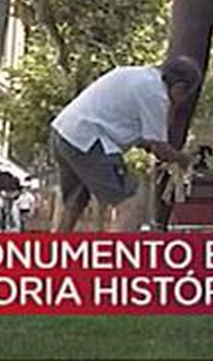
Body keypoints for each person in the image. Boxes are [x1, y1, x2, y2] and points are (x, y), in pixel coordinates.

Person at [50, 56, 201, 232]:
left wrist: (152, 147)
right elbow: (160, 149)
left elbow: (130, 128)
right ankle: (116, 256)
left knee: (73, 203)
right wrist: (182, 159)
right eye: (184, 96)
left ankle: (55, 252)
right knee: (131, 203)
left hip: (63, 132)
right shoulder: (156, 95)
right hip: (89, 140)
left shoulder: (133, 74)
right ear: (179, 87)